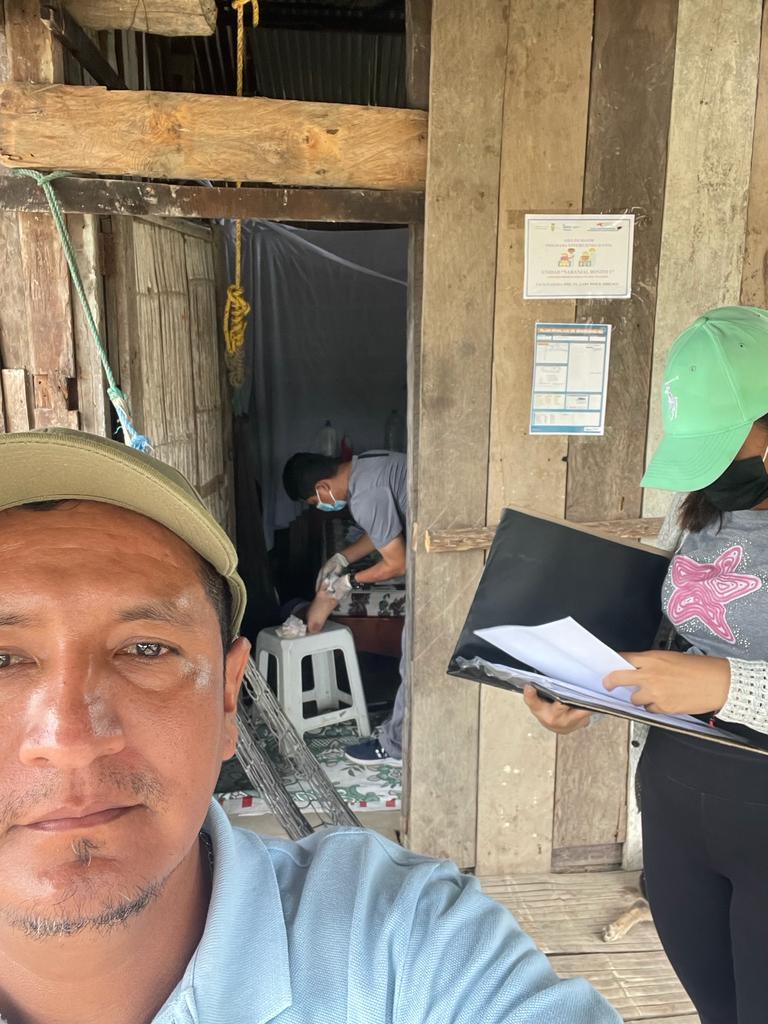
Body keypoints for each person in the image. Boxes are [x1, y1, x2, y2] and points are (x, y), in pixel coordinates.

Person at [0, 427, 620, 1024]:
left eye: (145, 649)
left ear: (228, 699)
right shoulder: (373, 472)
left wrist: (344, 583)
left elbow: (394, 555)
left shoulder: (400, 938)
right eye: (3, 660)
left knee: (411, 666)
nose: (69, 740)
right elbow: (375, 538)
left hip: (448, 591)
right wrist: (341, 562)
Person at [524, 305, 768, 1024]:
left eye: (726, 446)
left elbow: (708, 675)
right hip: (677, 807)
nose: (712, 470)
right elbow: (667, 637)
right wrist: (588, 692)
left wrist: (726, 684)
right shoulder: (696, 512)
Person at [282, 450, 408, 766]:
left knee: (414, 658)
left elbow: (397, 563)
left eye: (315, 502)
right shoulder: (367, 465)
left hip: (447, 553)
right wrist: (342, 558)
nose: (321, 507)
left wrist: (349, 581)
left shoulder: (364, 495)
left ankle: (396, 748)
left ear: (323, 487)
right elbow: (383, 530)